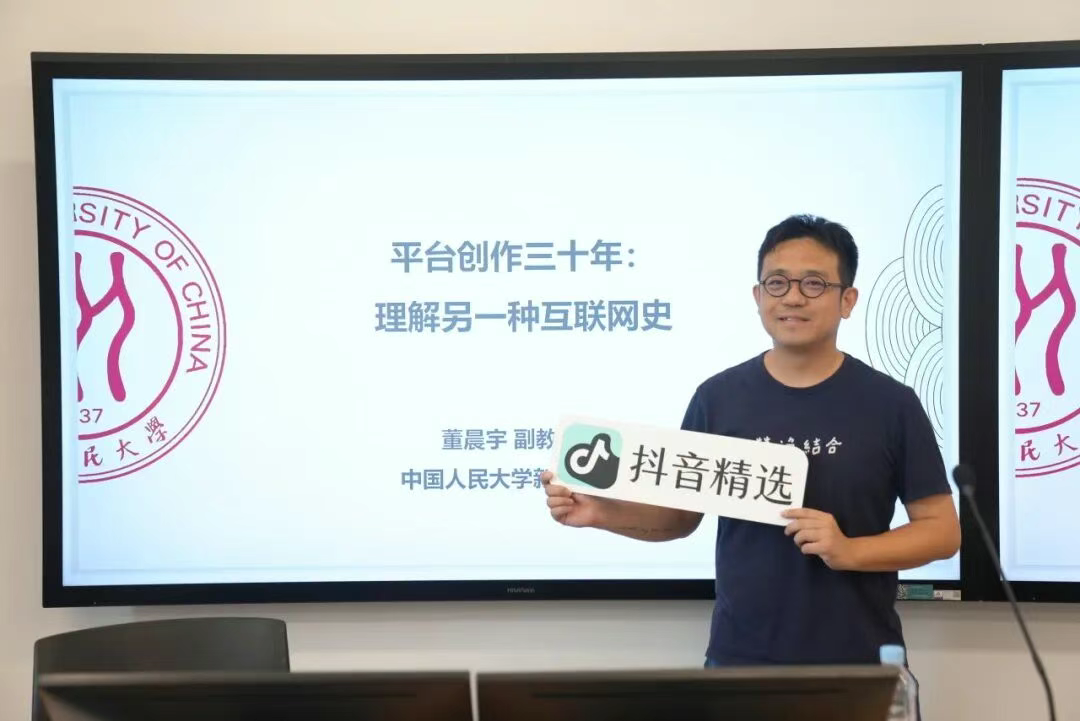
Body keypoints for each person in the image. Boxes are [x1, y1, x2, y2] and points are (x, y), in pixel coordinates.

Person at [541, 213, 961, 670]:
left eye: (814, 283)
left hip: (859, 662)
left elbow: (941, 532)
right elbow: (679, 518)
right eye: (777, 283)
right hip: (740, 663)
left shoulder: (890, 403)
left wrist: (850, 550)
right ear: (758, 297)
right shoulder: (718, 398)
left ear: (848, 300)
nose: (793, 297)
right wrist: (601, 512)